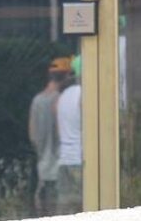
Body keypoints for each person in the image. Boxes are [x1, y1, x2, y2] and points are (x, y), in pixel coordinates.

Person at [28, 57, 70, 214]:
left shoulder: (36, 101)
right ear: (65, 77)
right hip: (60, 167)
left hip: (42, 168)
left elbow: (32, 134)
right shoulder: (61, 100)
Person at [55, 57, 82, 212]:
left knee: (65, 209)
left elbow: (60, 131)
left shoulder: (63, 96)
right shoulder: (88, 95)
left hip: (64, 160)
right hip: (80, 160)